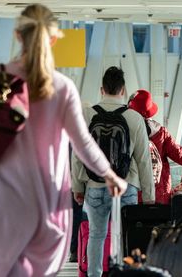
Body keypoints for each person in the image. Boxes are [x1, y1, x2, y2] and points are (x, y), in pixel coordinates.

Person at [0, 4, 128, 276]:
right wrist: (110, 175)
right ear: (54, 39)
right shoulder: (62, 88)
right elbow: (83, 144)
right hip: (42, 202)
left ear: (16, 35)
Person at [71, 67, 155, 277]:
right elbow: (144, 160)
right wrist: (149, 196)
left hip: (94, 186)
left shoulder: (88, 114)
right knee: (125, 236)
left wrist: (77, 187)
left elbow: (78, 155)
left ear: (102, 89)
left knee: (96, 235)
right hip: (126, 187)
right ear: (123, 90)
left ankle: (94, 275)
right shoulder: (134, 118)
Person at [128, 89, 182, 205]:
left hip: (131, 193)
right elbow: (180, 155)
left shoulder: (125, 131)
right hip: (158, 195)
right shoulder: (160, 133)